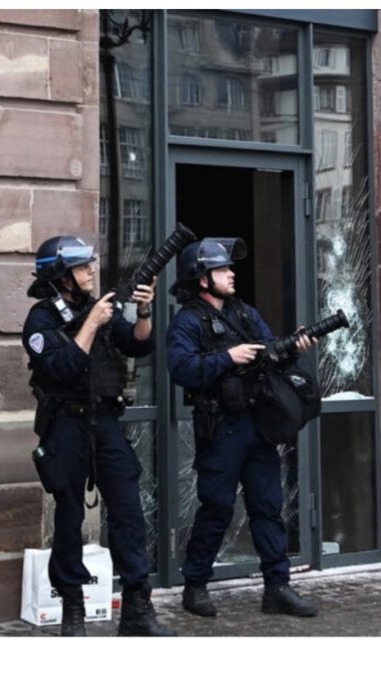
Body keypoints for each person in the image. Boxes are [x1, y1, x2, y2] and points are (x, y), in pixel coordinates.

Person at [22, 235, 174, 637]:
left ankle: (137, 609)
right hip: (66, 425)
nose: (92, 270)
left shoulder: (98, 309)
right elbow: (64, 367)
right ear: (61, 275)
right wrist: (91, 323)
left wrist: (143, 310)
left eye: (90, 263)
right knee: (70, 515)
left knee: (128, 510)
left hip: (106, 422)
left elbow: (138, 344)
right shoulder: (41, 320)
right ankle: (73, 606)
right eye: (82, 265)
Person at [166, 238, 318, 619]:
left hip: (257, 425)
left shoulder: (244, 313)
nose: (232, 274)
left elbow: (269, 353)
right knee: (217, 507)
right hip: (221, 430)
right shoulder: (187, 321)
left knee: (268, 506)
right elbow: (180, 368)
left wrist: (293, 347)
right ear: (202, 279)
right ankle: (195, 585)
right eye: (222, 269)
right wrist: (226, 358)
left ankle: (277, 588)